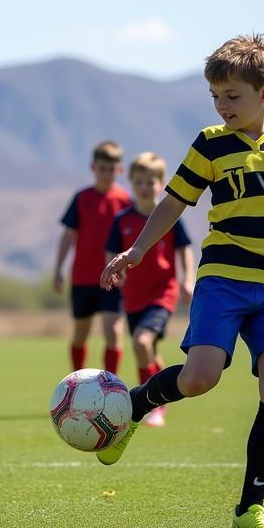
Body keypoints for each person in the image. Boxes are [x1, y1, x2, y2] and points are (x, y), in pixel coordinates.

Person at [98, 34, 264, 528]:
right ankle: (137, 406)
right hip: (223, 281)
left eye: (232, 96)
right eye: (216, 97)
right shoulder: (209, 142)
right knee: (200, 378)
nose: (222, 106)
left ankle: (251, 510)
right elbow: (172, 202)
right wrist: (137, 250)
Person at [104, 152, 194, 427]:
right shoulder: (122, 219)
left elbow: (185, 249)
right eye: (140, 182)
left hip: (161, 293)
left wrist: (187, 279)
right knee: (150, 351)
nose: (145, 187)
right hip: (134, 297)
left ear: (161, 183)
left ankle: (152, 405)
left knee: (141, 342)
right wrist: (114, 271)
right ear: (131, 183)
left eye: (151, 181)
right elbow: (111, 250)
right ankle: (162, 393)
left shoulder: (168, 217)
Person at [54, 141, 131, 375]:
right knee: (80, 332)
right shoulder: (81, 198)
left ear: (119, 170)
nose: (107, 174)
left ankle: (111, 385)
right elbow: (68, 235)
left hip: (114, 277)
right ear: (93, 168)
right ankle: (77, 383)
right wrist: (58, 269)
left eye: (112, 169)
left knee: (113, 331)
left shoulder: (126, 200)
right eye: (102, 168)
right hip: (83, 277)